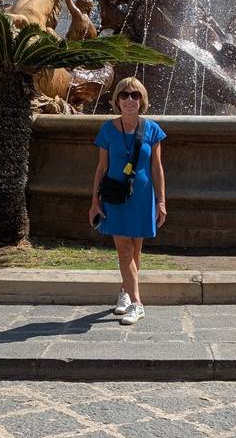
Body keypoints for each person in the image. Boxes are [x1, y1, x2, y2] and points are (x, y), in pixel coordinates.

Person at [89, 77, 167, 325]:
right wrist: (94, 201)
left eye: (135, 95)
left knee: (135, 250)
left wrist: (161, 201)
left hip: (142, 197)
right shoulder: (108, 130)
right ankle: (137, 303)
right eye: (124, 95)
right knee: (124, 250)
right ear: (117, 100)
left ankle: (124, 292)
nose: (130, 99)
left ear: (142, 99)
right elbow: (101, 167)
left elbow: (157, 168)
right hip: (114, 196)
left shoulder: (152, 129)